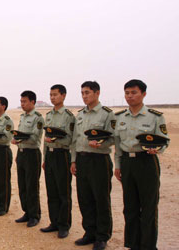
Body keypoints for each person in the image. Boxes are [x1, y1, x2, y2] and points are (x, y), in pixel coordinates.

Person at [114, 79, 169, 250]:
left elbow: (164, 141)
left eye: (133, 92)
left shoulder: (155, 116)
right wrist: (118, 165)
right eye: (127, 93)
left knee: (148, 208)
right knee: (129, 208)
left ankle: (148, 245)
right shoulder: (120, 117)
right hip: (127, 164)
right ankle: (133, 244)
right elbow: (117, 144)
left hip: (146, 162)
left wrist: (157, 149)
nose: (129, 96)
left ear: (143, 94)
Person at [70, 81, 116, 250]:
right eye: (82, 93)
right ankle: (89, 232)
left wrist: (101, 145)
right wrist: (73, 160)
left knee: (101, 199)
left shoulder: (107, 114)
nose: (84, 96)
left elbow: (113, 138)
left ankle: (102, 236)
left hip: (99, 160)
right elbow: (75, 140)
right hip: (82, 160)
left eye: (87, 92)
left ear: (97, 93)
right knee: (85, 198)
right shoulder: (80, 115)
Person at [40, 84, 75, 238]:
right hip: (50, 155)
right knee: (51, 191)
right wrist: (44, 158)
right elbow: (45, 140)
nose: (52, 97)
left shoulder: (68, 116)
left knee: (63, 192)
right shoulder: (49, 115)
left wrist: (73, 160)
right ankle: (54, 222)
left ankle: (64, 225)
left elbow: (72, 139)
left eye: (55, 94)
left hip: (62, 154)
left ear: (63, 96)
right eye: (51, 95)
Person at [13, 90, 44, 227]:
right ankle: (26, 211)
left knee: (32, 185)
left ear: (33, 102)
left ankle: (34, 215)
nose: (22, 104)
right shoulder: (23, 117)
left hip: (32, 154)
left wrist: (19, 139)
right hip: (21, 153)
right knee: (22, 185)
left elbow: (35, 137)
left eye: (24, 101)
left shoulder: (38, 118)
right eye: (21, 101)